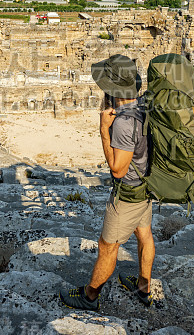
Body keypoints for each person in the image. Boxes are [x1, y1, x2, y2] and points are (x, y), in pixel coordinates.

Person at [59, 54, 154, 311]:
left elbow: (117, 169)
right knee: (144, 235)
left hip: (128, 195)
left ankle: (90, 296)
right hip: (146, 186)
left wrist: (103, 130)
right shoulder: (145, 105)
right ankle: (143, 289)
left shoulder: (123, 123)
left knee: (107, 247)